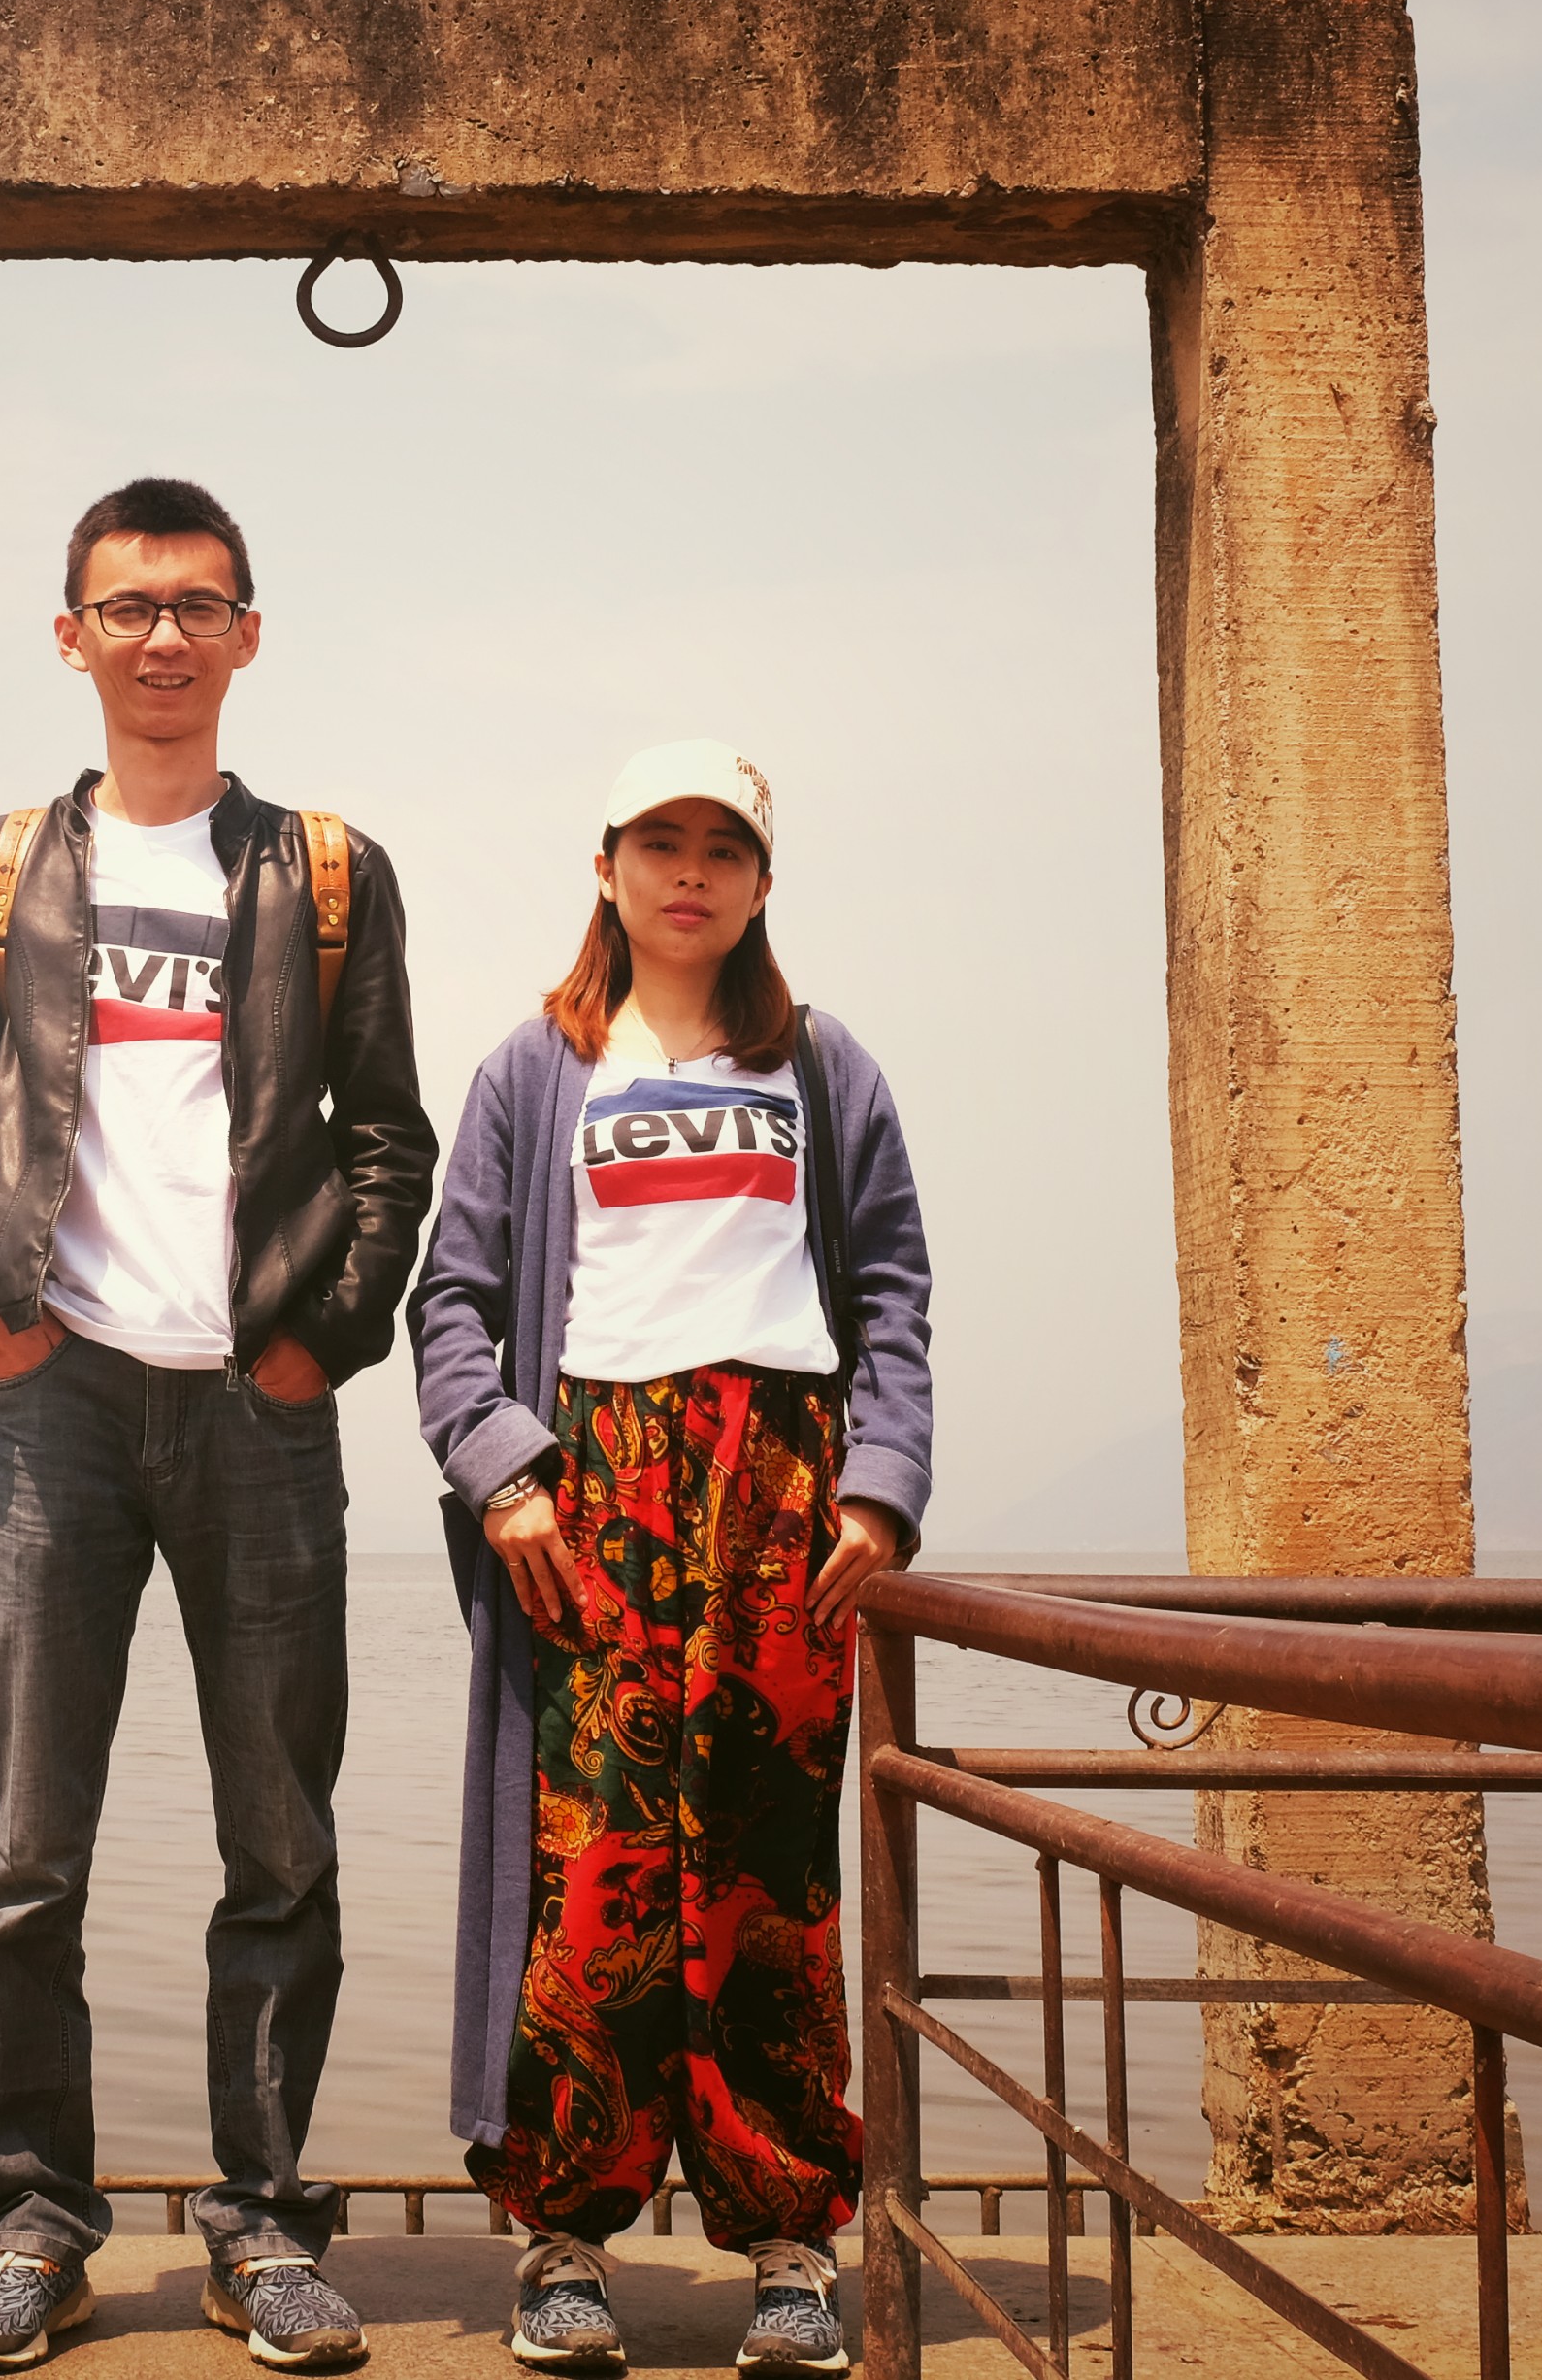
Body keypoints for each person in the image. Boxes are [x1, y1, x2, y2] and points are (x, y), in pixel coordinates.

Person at [0, 477, 438, 2373]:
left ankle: (264, 2229)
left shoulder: (327, 873)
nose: (162, 638)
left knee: (278, 1848)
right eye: (126, 607)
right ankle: (30, 2229)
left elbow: (387, 1140)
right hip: (58, 1405)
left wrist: (318, 1344)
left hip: (259, 1413)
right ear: (71, 637)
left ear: (247, 635)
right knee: (25, 1855)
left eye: (198, 605)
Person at [406, 741, 935, 2377]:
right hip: (597, 1495)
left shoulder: (823, 1067)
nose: (689, 871)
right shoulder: (536, 1069)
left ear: (763, 882)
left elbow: (892, 1294)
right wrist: (505, 1477)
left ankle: (788, 2239)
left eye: (722, 846)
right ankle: (568, 2237)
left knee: (769, 1880)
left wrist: (878, 1492)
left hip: (779, 1498)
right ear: (608, 868)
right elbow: (453, 1302)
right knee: (597, 1866)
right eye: (659, 841)